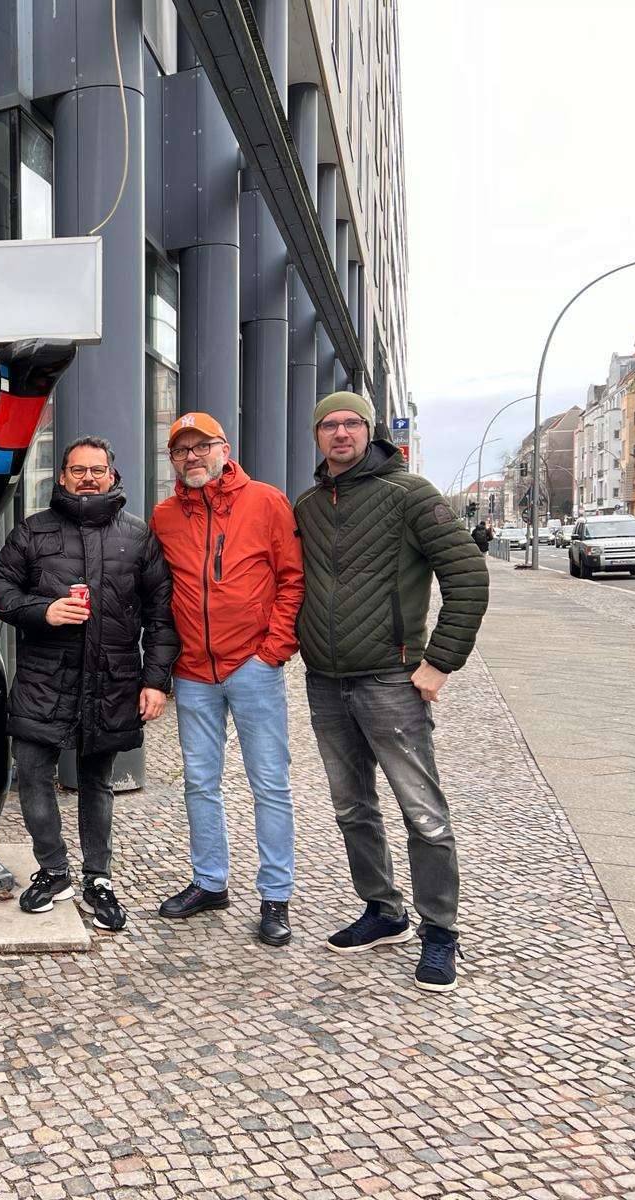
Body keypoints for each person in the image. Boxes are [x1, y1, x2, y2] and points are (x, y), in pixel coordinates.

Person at [295, 392, 489, 993]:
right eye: (329, 424)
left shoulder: (411, 495)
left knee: (422, 812)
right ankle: (383, 910)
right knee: (352, 807)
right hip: (326, 681)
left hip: (391, 678)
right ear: (317, 435)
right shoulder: (308, 505)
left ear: (370, 430)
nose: (341, 433)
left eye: (352, 423)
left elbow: (468, 577)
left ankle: (440, 931)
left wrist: (440, 662)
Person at [0, 436, 179, 931]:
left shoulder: (137, 536)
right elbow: (0, 592)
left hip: (111, 680)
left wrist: (155, 681)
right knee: (34, 775)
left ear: (112, 476)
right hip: (43, 680)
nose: (88, 478)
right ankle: (54, 872)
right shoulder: (32, 531)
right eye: (78, 470)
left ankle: (99, 878)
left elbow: (162, 617)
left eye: (97, 470)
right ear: (62, 477)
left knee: (97, 783)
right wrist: (43, 610)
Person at [150, 413, 304, 946]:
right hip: (194, 671)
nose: (192, 457)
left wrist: (272, 652)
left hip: (253, 667)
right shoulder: (165, 516)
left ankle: (275, 894)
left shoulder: (266, 502)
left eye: (202, 447)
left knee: (270, 784)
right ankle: (209, 881)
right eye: (181, 450)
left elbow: (292, 580)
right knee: (199, 782)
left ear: (224, 448)